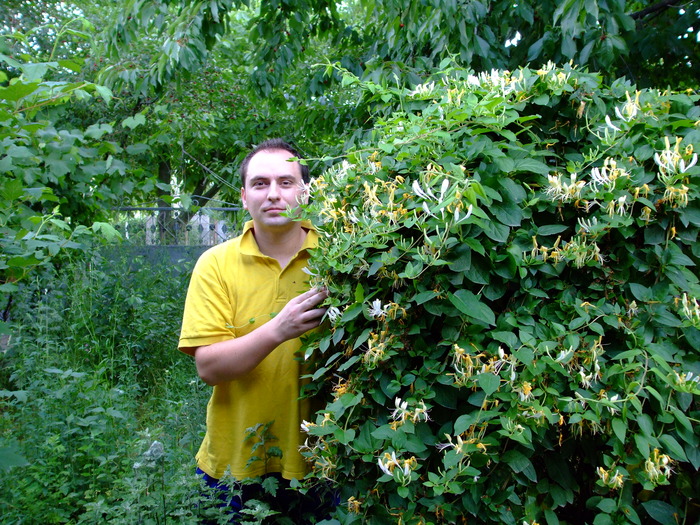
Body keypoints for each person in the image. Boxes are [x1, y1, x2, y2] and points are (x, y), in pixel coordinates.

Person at [178, 138, 329, 521]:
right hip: (233, 468)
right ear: (245, 197)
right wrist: (280, 328)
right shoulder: (215, 264)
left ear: (306, 192)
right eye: (260, 184)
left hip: (325, 463)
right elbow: (209, 367)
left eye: (286, 182)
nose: (274, 194)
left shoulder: (339, 257)